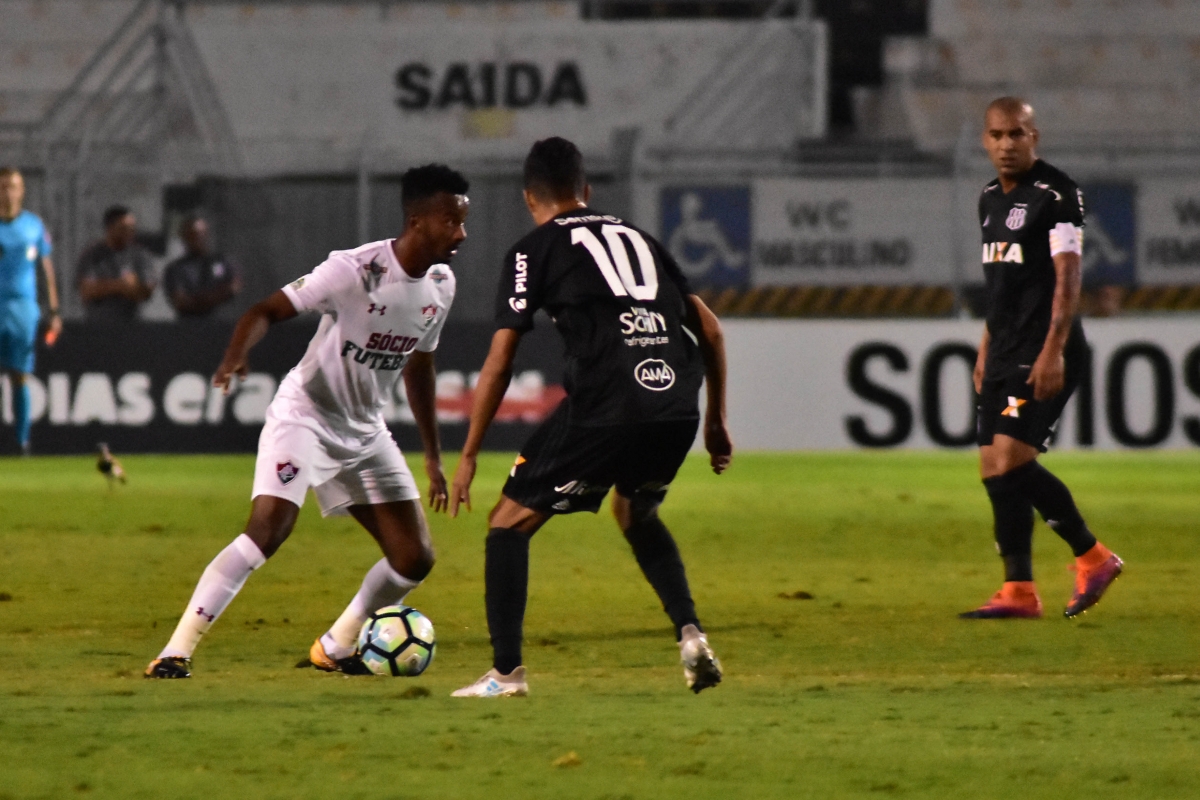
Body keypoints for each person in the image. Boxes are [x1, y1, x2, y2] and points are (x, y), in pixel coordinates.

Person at [145, 164, 469, 678]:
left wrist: (431, 455)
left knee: (414, 559)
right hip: (306, 418)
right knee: (267, 530)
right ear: (417, 220)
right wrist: (235, 354)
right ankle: (175, 651)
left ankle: (336, 645)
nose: (461, 233)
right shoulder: (354, 270)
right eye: (451, 221)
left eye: (463, 221)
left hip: (365, 433)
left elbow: (421, 366)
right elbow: (264, 310)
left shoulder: (441, 285)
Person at [448, 137, 732, 697]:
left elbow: (502, 357)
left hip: (607, 402)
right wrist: (716, 420)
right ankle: (691, 634)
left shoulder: (532, 249)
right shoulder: (642, 238)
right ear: (587, 189)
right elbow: (712, 330)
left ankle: (506, 675)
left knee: (506, 523)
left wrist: (470, 453)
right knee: (636, 512)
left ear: (531, 198)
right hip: (674, 402)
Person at [962, 97, 1123, 620]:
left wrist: (1054, 348)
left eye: (1017, 134)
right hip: (1005, 346)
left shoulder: (1057, 195)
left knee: (1012, 460)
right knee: (992, 468)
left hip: (1043, 347)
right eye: (997, 135)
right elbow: (1000, 287)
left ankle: (1093, 557)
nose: (1006, 145)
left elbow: (1069, 275)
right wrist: (986, 347)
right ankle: (1018, 590)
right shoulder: (988, 199)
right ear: (984, 141)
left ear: (1035, 137)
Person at [0, 167, 61, 454]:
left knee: (19, 375)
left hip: (23, 308)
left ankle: (22, 442)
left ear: (21, 190)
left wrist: (54, 311)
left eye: (13, 186)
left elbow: (46, 271)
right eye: (2, 187)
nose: (7, 193)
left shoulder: (33, 226)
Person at [76, 205, 155, 322]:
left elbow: (146, 290)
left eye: (132, 228)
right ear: (110, 228)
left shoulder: (140, 255)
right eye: (124, 228)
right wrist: (122, 285)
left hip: (131, 324)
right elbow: (87, 291)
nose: (130, 232)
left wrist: (103, 286)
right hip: (98, 324)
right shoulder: (92, 255)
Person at [162, 215, 241, 318]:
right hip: (189, 326)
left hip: (221, 325)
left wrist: (200, 299)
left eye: (202, 234)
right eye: (193, 235)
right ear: (184, 237)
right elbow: (180, 301)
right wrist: (213, 297)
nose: (198, 238)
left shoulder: (218, 263)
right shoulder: (176, 269)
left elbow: (232, 287)